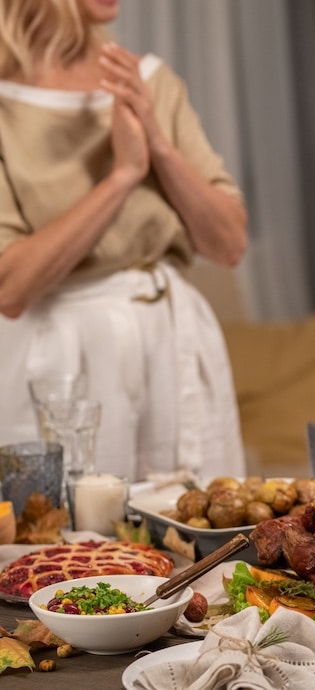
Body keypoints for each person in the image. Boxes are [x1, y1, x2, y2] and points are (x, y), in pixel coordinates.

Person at [0, 0, 248, 482]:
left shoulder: (149, 81)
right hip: (59, 360)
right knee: (71, 546)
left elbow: (227, 243)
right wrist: (123, 176)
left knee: (200, 529)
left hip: (172, 337)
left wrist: (156, 142)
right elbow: (10, 286)